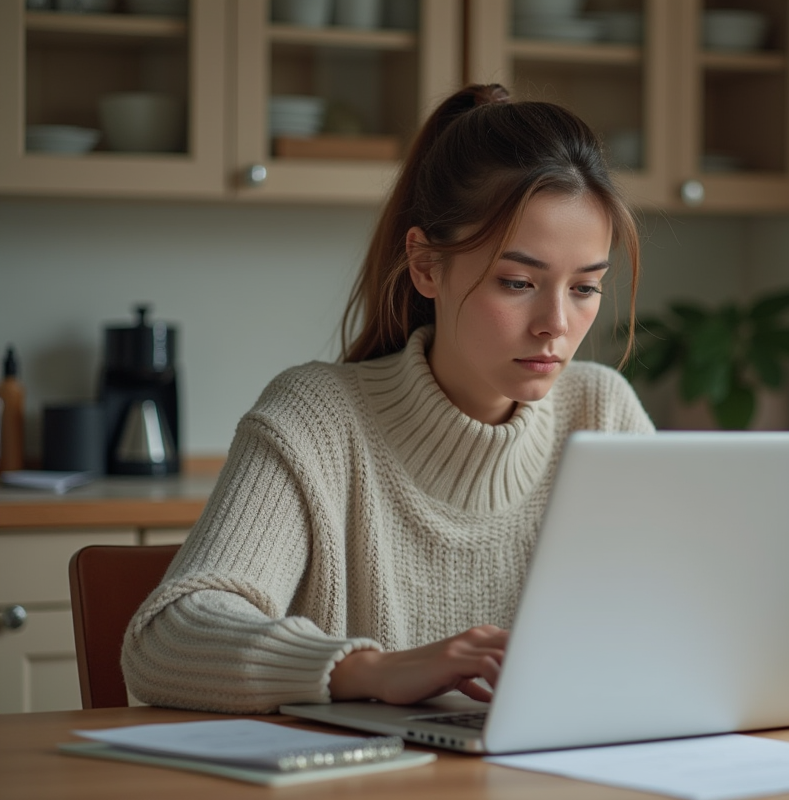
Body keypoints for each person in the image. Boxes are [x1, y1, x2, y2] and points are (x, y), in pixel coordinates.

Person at [121, 84, 654, 714]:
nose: (555, 325)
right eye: (518, 282)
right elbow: (167, 639)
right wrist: (371, 669)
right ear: (427, 265)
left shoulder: (603, 414)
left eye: (586, 289)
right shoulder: (316, 418)